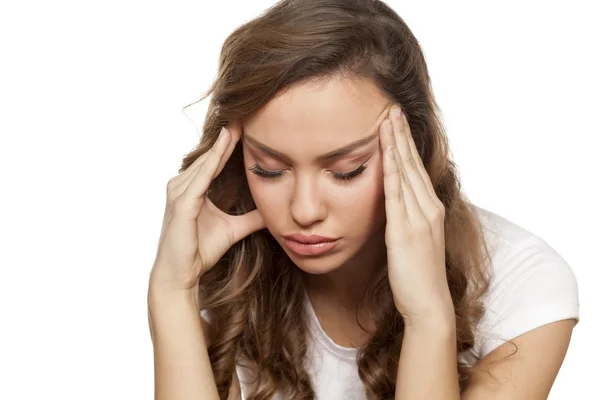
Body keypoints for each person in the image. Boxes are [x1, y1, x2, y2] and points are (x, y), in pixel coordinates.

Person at [147, 0, 580, 399]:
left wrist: (428, 316)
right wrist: (171, 291)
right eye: (269, 169)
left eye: (346, 170)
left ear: (417, 146)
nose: (304, 211)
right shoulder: (226, 262)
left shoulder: (524, 285)